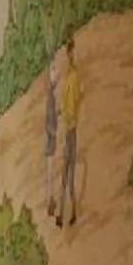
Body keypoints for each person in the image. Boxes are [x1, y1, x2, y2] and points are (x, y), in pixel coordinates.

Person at [54, 32, 83, 231]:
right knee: (66, 174)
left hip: (71, 130)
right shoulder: (69, 77)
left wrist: (69, 117)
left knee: (68, 174)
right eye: (67, 52)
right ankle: (65, 213)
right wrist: (61, 111)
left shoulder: (74, 77)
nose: (68, 56)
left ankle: (68, 213)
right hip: (68, 129)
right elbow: (66, 102)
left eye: (69, 52)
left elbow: (73, 103)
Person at [43, 43, 61, 207]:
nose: (57, 74)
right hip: (51, 137)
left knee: (52, 169)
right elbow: (48, 118)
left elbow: (52, 114)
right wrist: (53, 131)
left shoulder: (52, 94)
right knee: (50, 170)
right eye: (54, 71)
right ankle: (50, 199)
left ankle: (51, 198)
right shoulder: (50, 94)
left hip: (51, 136)